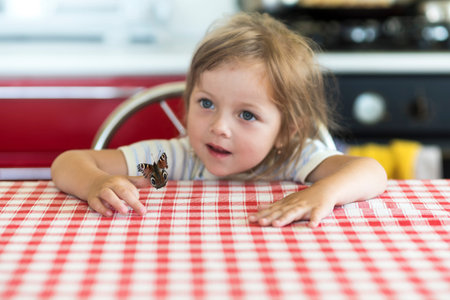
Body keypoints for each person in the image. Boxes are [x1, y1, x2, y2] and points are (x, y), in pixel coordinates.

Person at [51, 12, 387, 228]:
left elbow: (372, 171)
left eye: (246, 114)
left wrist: (323, 193)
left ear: (286, 131)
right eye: (206, 103)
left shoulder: (294, 159)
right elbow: (69, 162)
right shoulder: (171, 162)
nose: (219, 127)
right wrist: (95, 183)